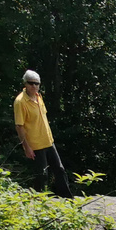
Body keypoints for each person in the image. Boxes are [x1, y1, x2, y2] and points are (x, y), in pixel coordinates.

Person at [13, 69, 72, 197]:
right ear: (25, 83)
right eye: (30, 83)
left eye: (36, 83)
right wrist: (26, 147)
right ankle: (38, 202)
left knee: (60, 170)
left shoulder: (39, 97)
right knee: (41, 175)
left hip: (48, 141)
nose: (34, 86)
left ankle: (69, 201)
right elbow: (19, 126)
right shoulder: (20, 102)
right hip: (35, 144)